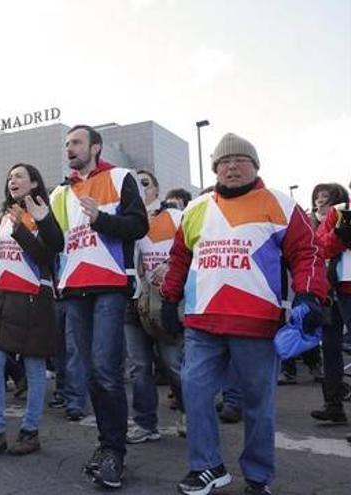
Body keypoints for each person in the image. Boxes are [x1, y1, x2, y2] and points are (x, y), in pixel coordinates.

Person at [161, 133, 328, 495]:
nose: (232, 166)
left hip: (257, 323)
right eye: (224, 161)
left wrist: (310, 295)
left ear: (255, 166)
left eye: (240, 160)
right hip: (202, 321)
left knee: (258, 405)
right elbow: (179, 258)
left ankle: (257, 477)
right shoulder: (196, 209)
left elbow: (308, 252)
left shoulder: (279, 203)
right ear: (215, 168)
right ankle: (207, 467)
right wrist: (167, 297)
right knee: (195, 392)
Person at [47, 125, 148, 488]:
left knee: (107, 370)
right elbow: (55, 242)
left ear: (95, 147)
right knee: (89, 373)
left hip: (109, 286)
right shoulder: (61, 191)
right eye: (67, 144)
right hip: (74, 290)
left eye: (76, 142)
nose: (69, 148)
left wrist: (101, 219)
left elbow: (138, 225)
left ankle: (115, 454)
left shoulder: (120, 178)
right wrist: (37, 221)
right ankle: (106, 445)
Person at [0, 163, 63, 457]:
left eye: (19, 176)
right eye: (9, 177)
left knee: (33, 366)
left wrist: (24, 227)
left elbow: (49, 252)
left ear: (34, 182)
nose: (12, 180)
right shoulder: (5, 217)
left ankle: (30, 431)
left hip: (34, 298)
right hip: (1, 298)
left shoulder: (43, 213)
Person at [125, 185, 190, 444]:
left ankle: (190, 413)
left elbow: (190, 250)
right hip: (133, 302)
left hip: (163, 302)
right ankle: (145, 423)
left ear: (156, 190)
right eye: (135, 184)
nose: (140, 189)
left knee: (173, 363)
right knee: (139, 367)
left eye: (146, 184)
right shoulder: (127, 221)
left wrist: (171, 266)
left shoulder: (175, 218)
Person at [309, 182, 350, 425]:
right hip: (334, 287)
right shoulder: (340, 212)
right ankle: (333, 405)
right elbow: (320, 245)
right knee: (331, 347)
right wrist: (340, 234)